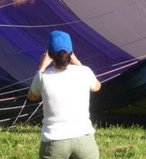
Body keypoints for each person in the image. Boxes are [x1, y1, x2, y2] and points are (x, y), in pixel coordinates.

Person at [27, 30, 101, 159]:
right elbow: (96, 86)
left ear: (48, 54)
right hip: (84, 138)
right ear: (71, 53)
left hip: (54, 141)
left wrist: (41, 67)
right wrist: (77, 62)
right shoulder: (84, 72)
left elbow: (32, 96)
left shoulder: (43, 77)